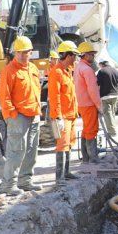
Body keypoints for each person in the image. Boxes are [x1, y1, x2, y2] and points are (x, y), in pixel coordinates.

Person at [0, 36, 42, 196]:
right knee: (16, 151)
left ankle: (25, 181)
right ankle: (8, 185)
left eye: (26, 52)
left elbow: (36, 90)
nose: (23, 55)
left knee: (31, 150)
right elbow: (4, 96)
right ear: (15, 53)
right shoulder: (9, 70)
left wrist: (37, 111)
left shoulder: (33, 69)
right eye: (20, 53)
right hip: (19, 116)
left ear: (31, 52)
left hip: (33, 114)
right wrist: (13, 115)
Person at [49, 41, 80, 186]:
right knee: (62, 145)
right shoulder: (57, 72)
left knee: (69, 143)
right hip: (63, 116)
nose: (75, 59)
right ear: (67, 55)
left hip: (71, 114)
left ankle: (66, 172)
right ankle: (59, 177)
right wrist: (58, 117)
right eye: (74, 55)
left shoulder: (68, 71)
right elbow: (55, 97)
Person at [74, 42, 103, 164]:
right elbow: (93, 90)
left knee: (86, 129)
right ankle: (93, 158)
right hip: (89, 104)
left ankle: (86, 157)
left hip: (81, 104)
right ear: (85, 55)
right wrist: (99, 105)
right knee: (91, 130)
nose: (93, 57)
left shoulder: (78, 67)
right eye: (91, 54)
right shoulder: (87, 70)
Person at [96, 58, 118, 137]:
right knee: (112, 113)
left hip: (105, 96)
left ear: (101, 64)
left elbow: (97, 83)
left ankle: (112, 132)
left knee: (107, 114)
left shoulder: (101, 71)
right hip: (115, 96)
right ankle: (112, 129)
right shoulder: (115, 71)